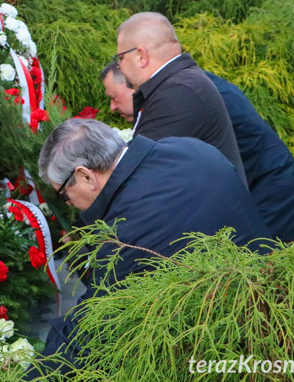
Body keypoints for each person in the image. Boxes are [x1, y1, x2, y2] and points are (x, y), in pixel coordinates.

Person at [35, 119, 270, 372]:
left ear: (85, 176)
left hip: (231, 352)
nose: (68, 204)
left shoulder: (123, 237)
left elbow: (89, 333)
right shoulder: (190, 148)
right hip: (277, 294)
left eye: (63, 194)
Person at [101, 62, 294, 242]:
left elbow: (149, 169)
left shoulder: (181, 96)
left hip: (270, 193)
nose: (111, 107)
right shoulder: (190, 83)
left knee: (285, 273)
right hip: (264, 185)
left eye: (114, 97)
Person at [115, 12, 246, 183]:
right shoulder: (181, 83)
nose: (119, 66)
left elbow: (138, 173)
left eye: (121, 58)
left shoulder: (177, 93)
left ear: (141, 57)